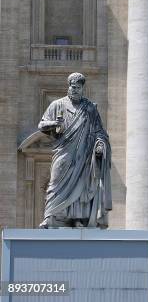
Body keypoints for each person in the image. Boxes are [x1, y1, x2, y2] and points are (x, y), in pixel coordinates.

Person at [38, 72, 112, 228]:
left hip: (84, 154)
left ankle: (78, 218)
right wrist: (55, 124)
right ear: (68, 87)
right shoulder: (57, 105)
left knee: (81, 184)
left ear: (82, 88)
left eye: (78, 87)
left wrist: (100, 144)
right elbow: (42, 125)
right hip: (64, 151)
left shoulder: (90, 108)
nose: (75, 90)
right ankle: (50, 216)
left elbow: (100, 131)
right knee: (55, 182)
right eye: (73, 87)